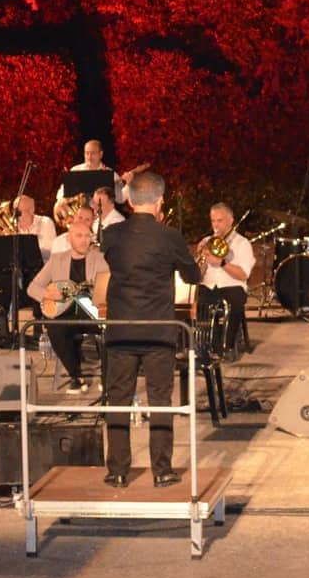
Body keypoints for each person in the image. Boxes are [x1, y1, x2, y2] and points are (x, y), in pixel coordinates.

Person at [98, 171, 200, 488]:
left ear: (128, 200)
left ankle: (117, 471)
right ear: (160, 201)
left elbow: (115, 260)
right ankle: (161, 471)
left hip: (121, 329)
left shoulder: (112, 235)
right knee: (159, 400)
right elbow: (193, 276)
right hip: (158, 330)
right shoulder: (169, 236)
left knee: (117, 400)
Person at [26, 214, 110, 393]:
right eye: (79, 236)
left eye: (87, 236)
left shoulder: (100, 258)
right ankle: (76, 376)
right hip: (66, 313)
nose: (84, 240)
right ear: (69, 238)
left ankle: (107, 378)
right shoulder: (57, 260)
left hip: (92, 313)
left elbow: (106, 290)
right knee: (55, 329)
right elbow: (32, 288)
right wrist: (48, 294)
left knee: (109, 328)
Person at [195, 202, 255, 358]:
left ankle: (226, 347)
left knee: (233, 302)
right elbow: (198, 276)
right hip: (209, 286)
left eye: (220, 220)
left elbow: (243, 275)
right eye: (213, 221)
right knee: (191, 300)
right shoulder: (207, 241)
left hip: (232, 286)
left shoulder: (242, 243)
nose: (216, 225)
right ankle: (197, 345)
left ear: (231, 221)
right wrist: (202, 257)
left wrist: (222, 263)